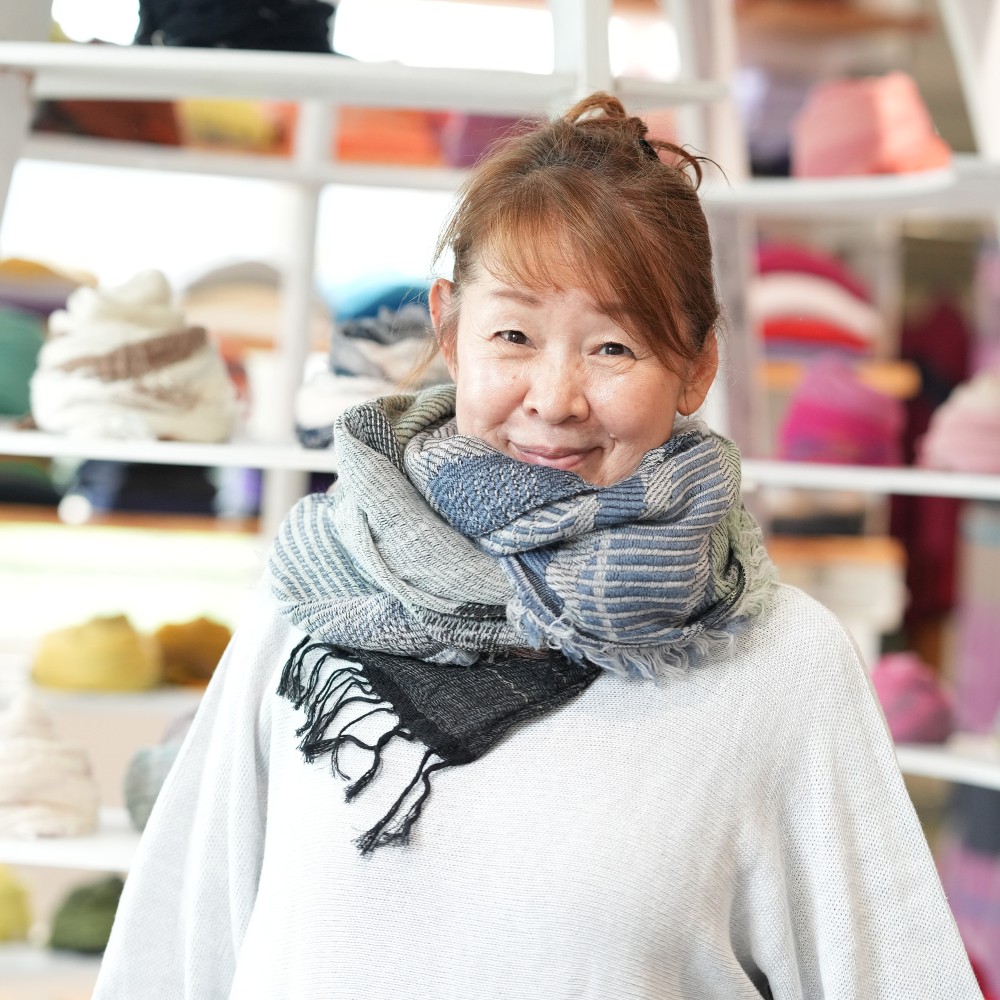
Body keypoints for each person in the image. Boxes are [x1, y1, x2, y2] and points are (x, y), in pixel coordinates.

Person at [92, 92, 983, 999]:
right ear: (450, 331)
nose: (555, 399)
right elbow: (175, 960)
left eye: (614, 347)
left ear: (696, 365)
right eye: (513, 335)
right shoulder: (313, 604)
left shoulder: (779, 663)